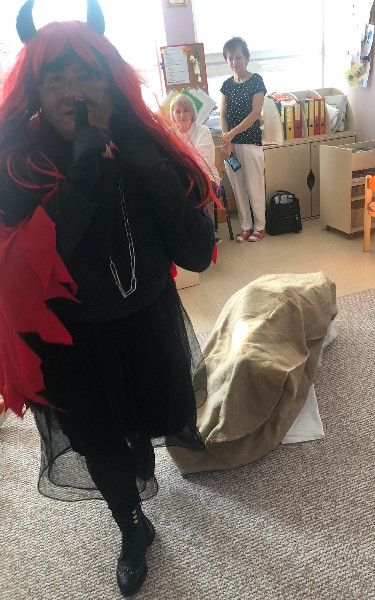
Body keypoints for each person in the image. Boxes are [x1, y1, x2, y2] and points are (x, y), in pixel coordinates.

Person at [0, 1, 214, 597]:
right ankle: (131, 527)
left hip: (147, 322)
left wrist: (147, 166)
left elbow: (197, 252)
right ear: (37, 89)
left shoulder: (149, 147)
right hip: (70, 341)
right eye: (57, 79)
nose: (74, 93)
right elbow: (24, 274)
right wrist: (81, 175)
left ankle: (136, 473)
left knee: (148, 424)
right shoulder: (17, 165)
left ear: (110, 81)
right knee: (99, 444)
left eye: (87, 75)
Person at [220, 36, 267, 242]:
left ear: (246, 58)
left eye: (238, 57)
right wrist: (227, 141)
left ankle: (260, 226)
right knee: (238, 188)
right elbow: (223, 115)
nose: (234, 62)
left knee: (254, 186)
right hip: (232, 146)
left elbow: (255, 113)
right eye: (230, 58)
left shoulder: (256, 80)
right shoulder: (226, 85)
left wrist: (231, 134)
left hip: (250, 143)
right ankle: (246, 226)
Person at [170, 93, 222, 243]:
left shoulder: (202, 131)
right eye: (178, 111)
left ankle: (207, 229)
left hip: (206, 178)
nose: (182, 115)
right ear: (173, 114)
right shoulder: (169, 133)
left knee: (191, 191)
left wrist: (179, 163)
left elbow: (203, 161)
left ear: (192, 112)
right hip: (179, 179)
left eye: (186, 110)